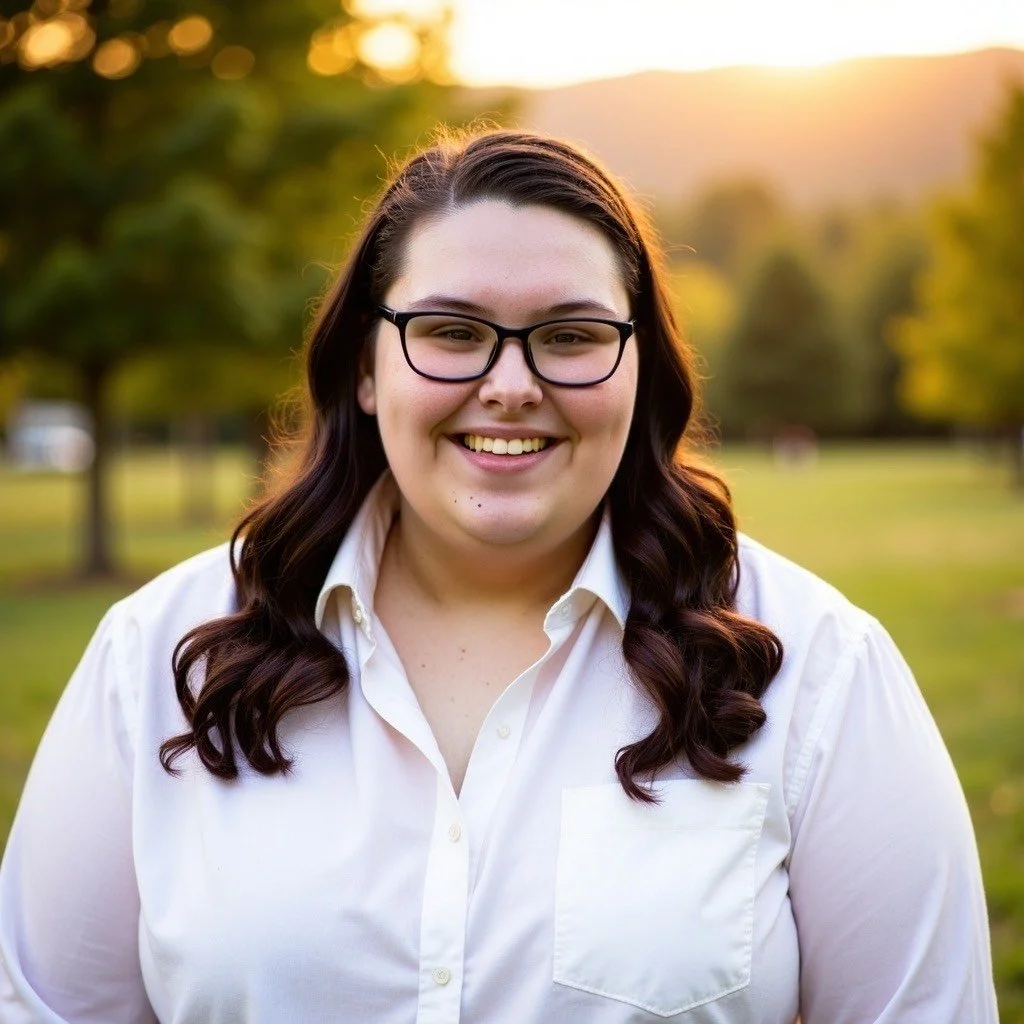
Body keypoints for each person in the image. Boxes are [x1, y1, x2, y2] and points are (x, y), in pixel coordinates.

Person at [0, 129, 998, 1023]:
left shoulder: (817, 672)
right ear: (364, 364)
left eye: (570, 335)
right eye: (450, 332)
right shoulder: (158, 655)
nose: (510, 386)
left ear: (638, 365)